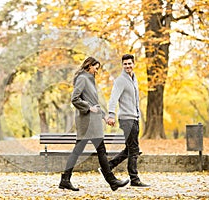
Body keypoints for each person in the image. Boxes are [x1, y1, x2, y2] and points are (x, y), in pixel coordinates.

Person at [59, 57, 129, 191]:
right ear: (89, 66)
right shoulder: (82, 78)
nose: (96, 71)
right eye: (95, 68)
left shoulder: (90, 79)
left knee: (88, 150)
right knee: (98, 150)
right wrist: (88, 107)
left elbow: (94, 103)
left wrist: (104, 116)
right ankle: (111, 180)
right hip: (87, 121)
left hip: (93, 121)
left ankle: (65, 179)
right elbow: (75, 98)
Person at [105, 54, 150, 187]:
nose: (128, 66)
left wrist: (138, 117)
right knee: (134, 149)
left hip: (134, 118)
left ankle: (107, 167)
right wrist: (111, 114)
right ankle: (134, 179)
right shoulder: (120, 81)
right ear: (122, 65)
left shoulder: (134, 79)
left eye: (130, 63)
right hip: (126, 119)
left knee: (130, 149)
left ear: (133, 64)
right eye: (125, 64)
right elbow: (113, 98)